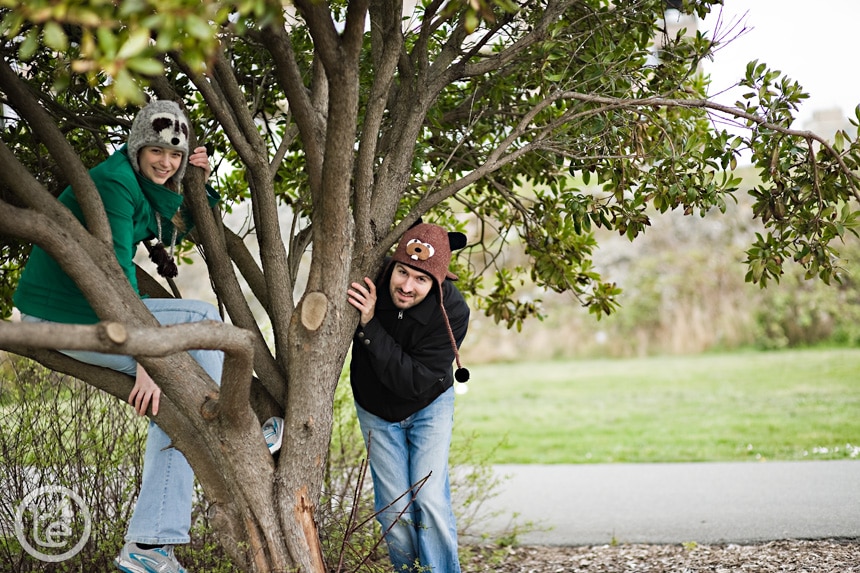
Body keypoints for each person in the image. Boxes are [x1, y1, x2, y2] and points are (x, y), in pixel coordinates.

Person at [12, 99, 282, 573]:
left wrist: (200, 185)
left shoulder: (148, 184)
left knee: (178, 404)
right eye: (157, 150)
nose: (166, 161)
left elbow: (189, 225)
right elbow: (113, 277)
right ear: (138, 146)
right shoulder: (115, 182)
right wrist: (148, 358)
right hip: (63, 316)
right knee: (200, 320)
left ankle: (150, 546)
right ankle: (235, 425)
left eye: (175, 155)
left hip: (91, 313)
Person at [347, 221, 471, 573]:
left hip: (428, 404)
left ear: (437, 282)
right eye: (402, 272)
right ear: (392, 265)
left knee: (429, 499)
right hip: (375, 408)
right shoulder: (373, 285)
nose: (406, 285)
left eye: (421, 279)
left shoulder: (454, 312)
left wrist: (370, 325)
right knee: (393, 508)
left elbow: (415, 381)